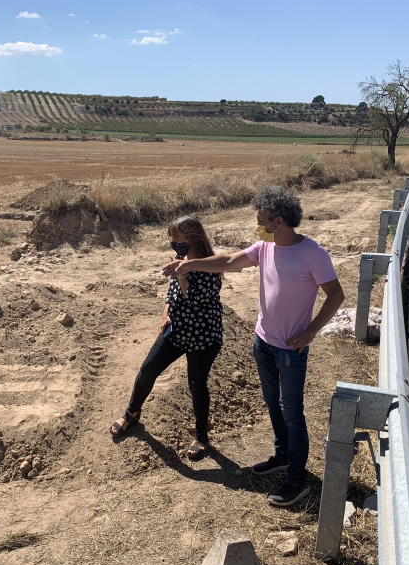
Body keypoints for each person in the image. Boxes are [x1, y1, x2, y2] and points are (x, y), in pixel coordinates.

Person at [162, 186, 344, 506]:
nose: (256, 226)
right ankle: (282, 455)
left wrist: (312, 331)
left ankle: (297, 480)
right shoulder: (264, 247)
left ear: (278, 221)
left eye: (260, 220)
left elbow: (336, 295)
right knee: (273, 404)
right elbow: (230, 261)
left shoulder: (313, 254)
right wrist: (189, 266)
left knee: (292, 412)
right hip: (263, 342)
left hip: (291, 349)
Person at [111, 215, 223, 460]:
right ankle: (132, 413)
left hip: (203, 334)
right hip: (177, 329)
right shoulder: (180, 260)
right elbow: (172, 293)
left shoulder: (210, 265)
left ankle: (201, 437)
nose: (173, 243)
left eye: (177, 238)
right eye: (171, 238)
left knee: (196, 384)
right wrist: (165, 313)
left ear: (192, 238)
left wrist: (182, 273)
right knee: (148, 370)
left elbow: (193, 297)